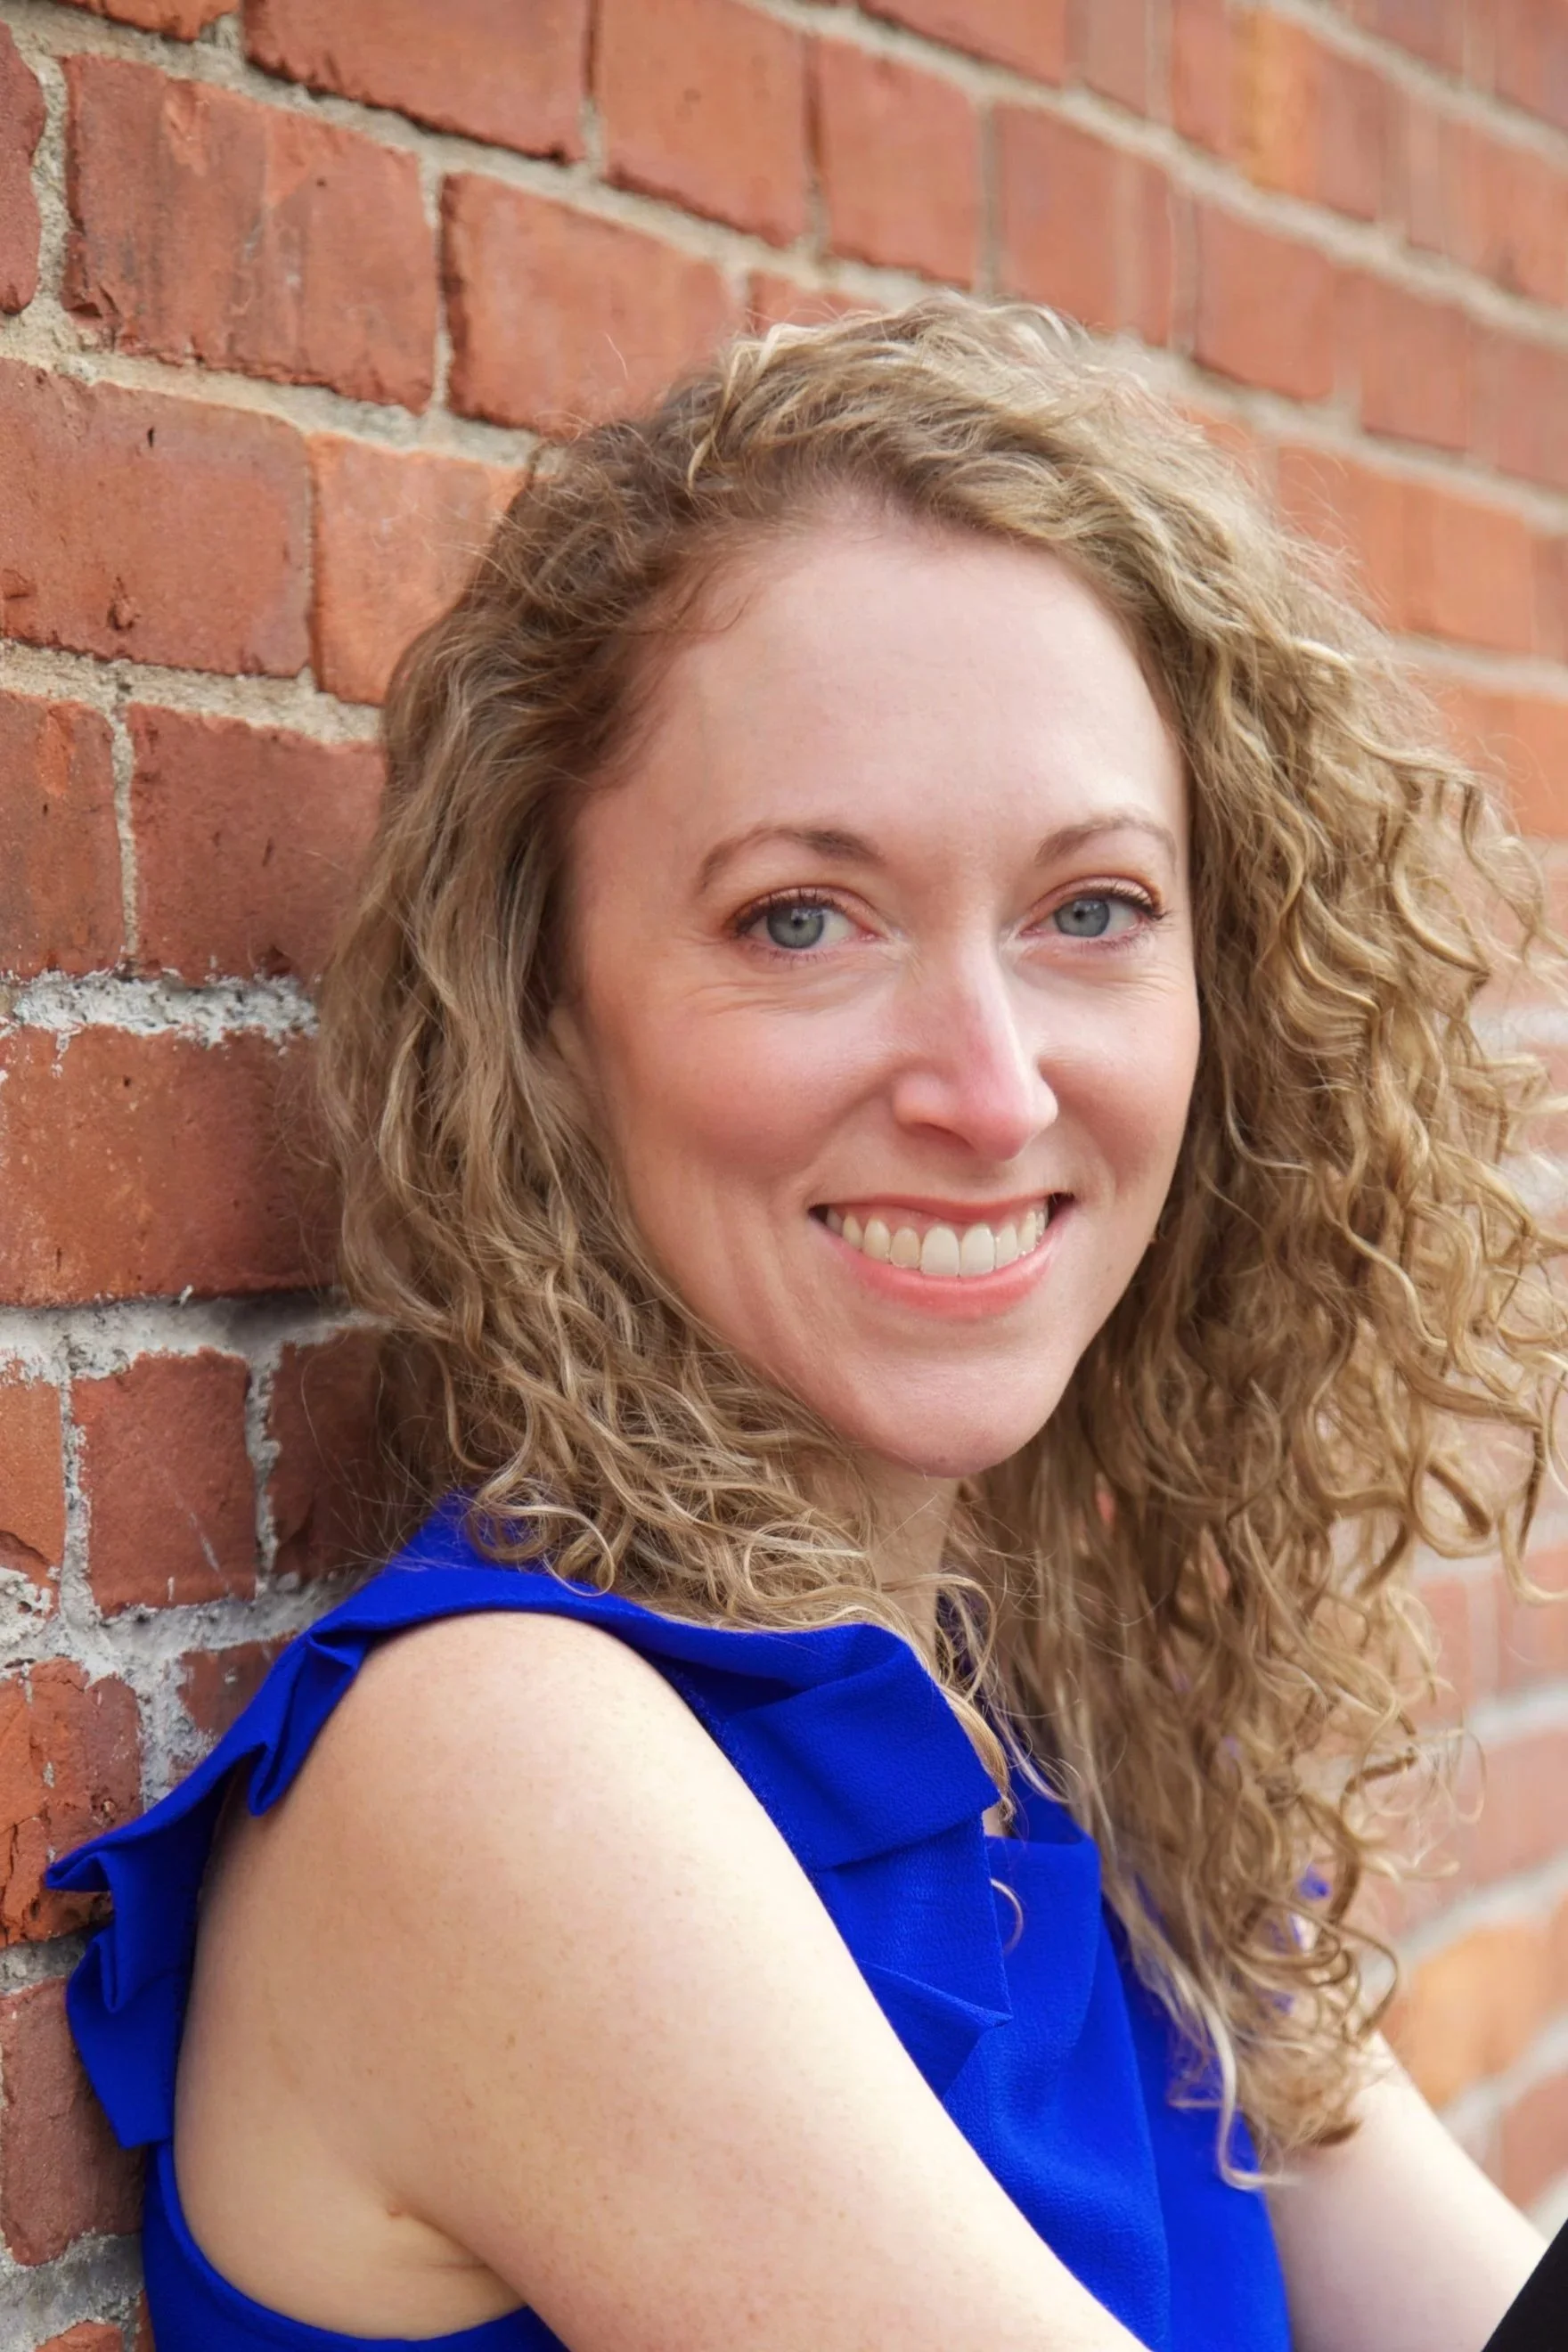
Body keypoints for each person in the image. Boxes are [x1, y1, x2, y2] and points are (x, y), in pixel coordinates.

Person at [51, 298, 1564, 2352]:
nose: (992, 1084)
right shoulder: (507, 1774)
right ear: (551, 1024)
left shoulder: (1057, 1725)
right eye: (799, 917)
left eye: (1090, 909)